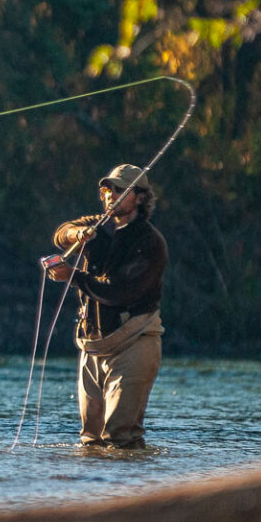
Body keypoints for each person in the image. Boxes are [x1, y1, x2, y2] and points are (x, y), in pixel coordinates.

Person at [46, 164, 168, 449]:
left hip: (134, 345)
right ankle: (94, 491)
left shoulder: (150, 243)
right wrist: (78, 234)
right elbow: (60, 233)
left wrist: (72, 276)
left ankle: (135, 491)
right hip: (94, 347)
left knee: (121, 438)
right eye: (106, 190)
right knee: (91, 440)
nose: (110, 195)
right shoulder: (98, 226)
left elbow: (118, 292)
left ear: (139, 197)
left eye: (118, 189)